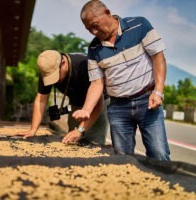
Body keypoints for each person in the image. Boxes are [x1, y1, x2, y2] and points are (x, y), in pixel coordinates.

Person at [73, 0, 170, 160]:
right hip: (118, 107)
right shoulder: (94, 48)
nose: (94, 31)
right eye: (89, 29)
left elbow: (158, 58)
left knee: (158, 154)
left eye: (95, 25)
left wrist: (158, 91)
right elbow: (97, 83)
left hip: (147, 101)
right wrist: (86, 110)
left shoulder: (139, 25)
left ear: (107, 13)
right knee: (122, 159)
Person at [10, 50, 108, 145]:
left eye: (54, 76)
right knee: (72, 139)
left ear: (63, 63)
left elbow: (98, 104)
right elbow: (41, 100)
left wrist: (80, 130)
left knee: (93, 142)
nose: (53, 81)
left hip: (98, 102)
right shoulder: (47, 68)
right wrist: (33, 130)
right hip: (76, 102)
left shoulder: (84, 66)